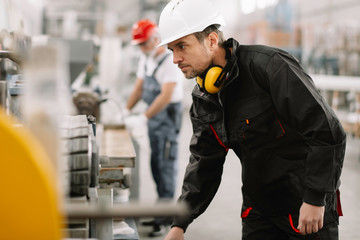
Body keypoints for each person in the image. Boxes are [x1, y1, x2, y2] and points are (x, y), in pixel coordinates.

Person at [156, 0, 346, 240]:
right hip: (258, 212)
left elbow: (326, 130)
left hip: (305, 206)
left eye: (182, 46)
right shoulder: (205, 97)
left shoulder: (269, 67)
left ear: (212, 40)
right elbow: (204, 162)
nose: (175, 59)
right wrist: (179, 224)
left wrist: (316, 198)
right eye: (172, 50)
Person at [123, 19, 184, 237]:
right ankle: (161, 214)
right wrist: (126, 110)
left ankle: (167, 221)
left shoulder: (170, 61)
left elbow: (166, 94)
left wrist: (143, 117)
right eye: (139, 44)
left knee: (165, 166)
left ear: (156, 39)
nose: (142, 48)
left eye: (144, 43)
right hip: (153, 118)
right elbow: (140, 87)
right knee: (155, 164)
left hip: (166, 116)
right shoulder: (146, 58)